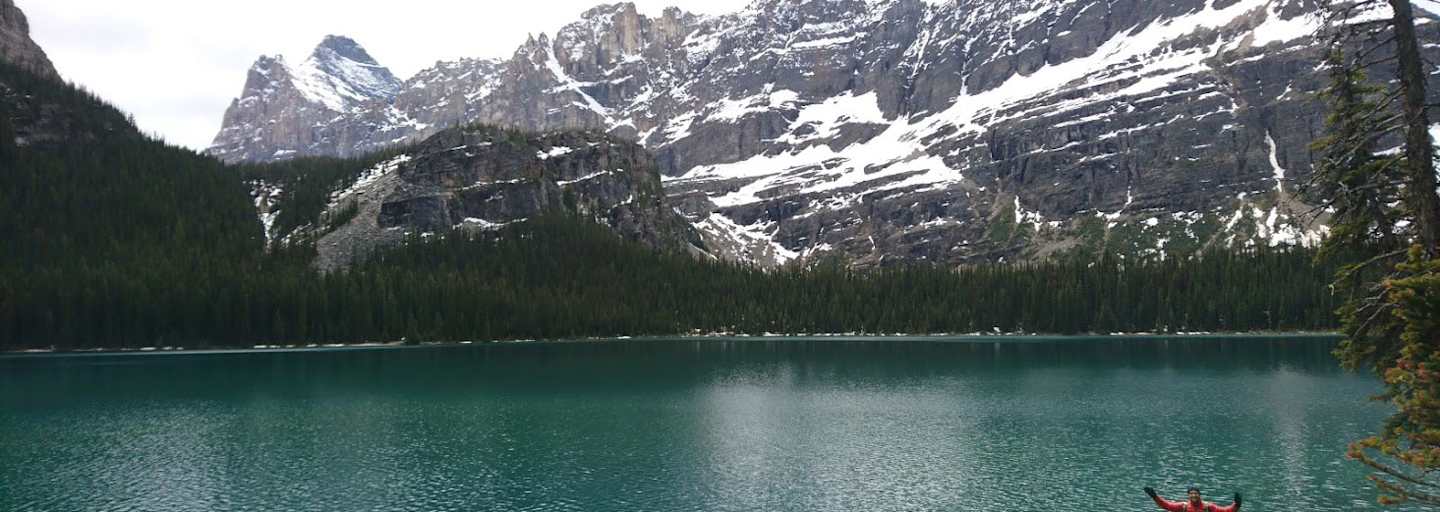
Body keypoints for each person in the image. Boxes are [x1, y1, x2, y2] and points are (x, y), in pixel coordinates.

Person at [1144, 486, 1241, 512]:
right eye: (1191, 494)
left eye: (1195, 493)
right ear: (1188, 496)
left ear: (1199, 495)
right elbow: (1166, 505)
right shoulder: (1183, 507)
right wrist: (1154, 496)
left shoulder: (1208, 507)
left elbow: (1226, 511)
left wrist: (1237, 504)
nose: (1193, 495)